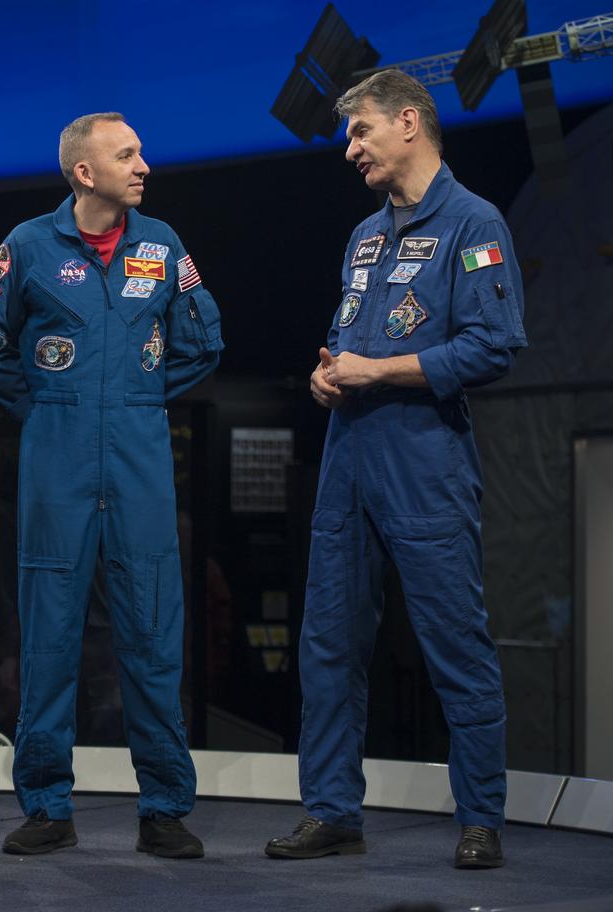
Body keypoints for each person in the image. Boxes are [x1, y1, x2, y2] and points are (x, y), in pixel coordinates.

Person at [264, 69, 527, 869]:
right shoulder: (365, 236)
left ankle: (480, 818)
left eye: (361, 133)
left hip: (425, 467)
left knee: (455, 645)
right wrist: (327, 377)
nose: (351, 150)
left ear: (408, 123)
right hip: (348, 465)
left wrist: (378, 373)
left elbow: (495, 344)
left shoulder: (473, 223)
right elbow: (348, 342)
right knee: (328, 647)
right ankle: (333, 810)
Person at [0, 113, 224, 858]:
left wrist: (137, 397)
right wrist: (45, 403)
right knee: (48, 635)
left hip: (139, 461)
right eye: (127, 154)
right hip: (56, 464)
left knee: (152, 632)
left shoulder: (162, 244)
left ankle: (165, 807)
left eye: (139, 151)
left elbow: (205, 339)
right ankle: (47, 805)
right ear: (85, 172)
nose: (144, 165)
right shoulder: (27, 247)